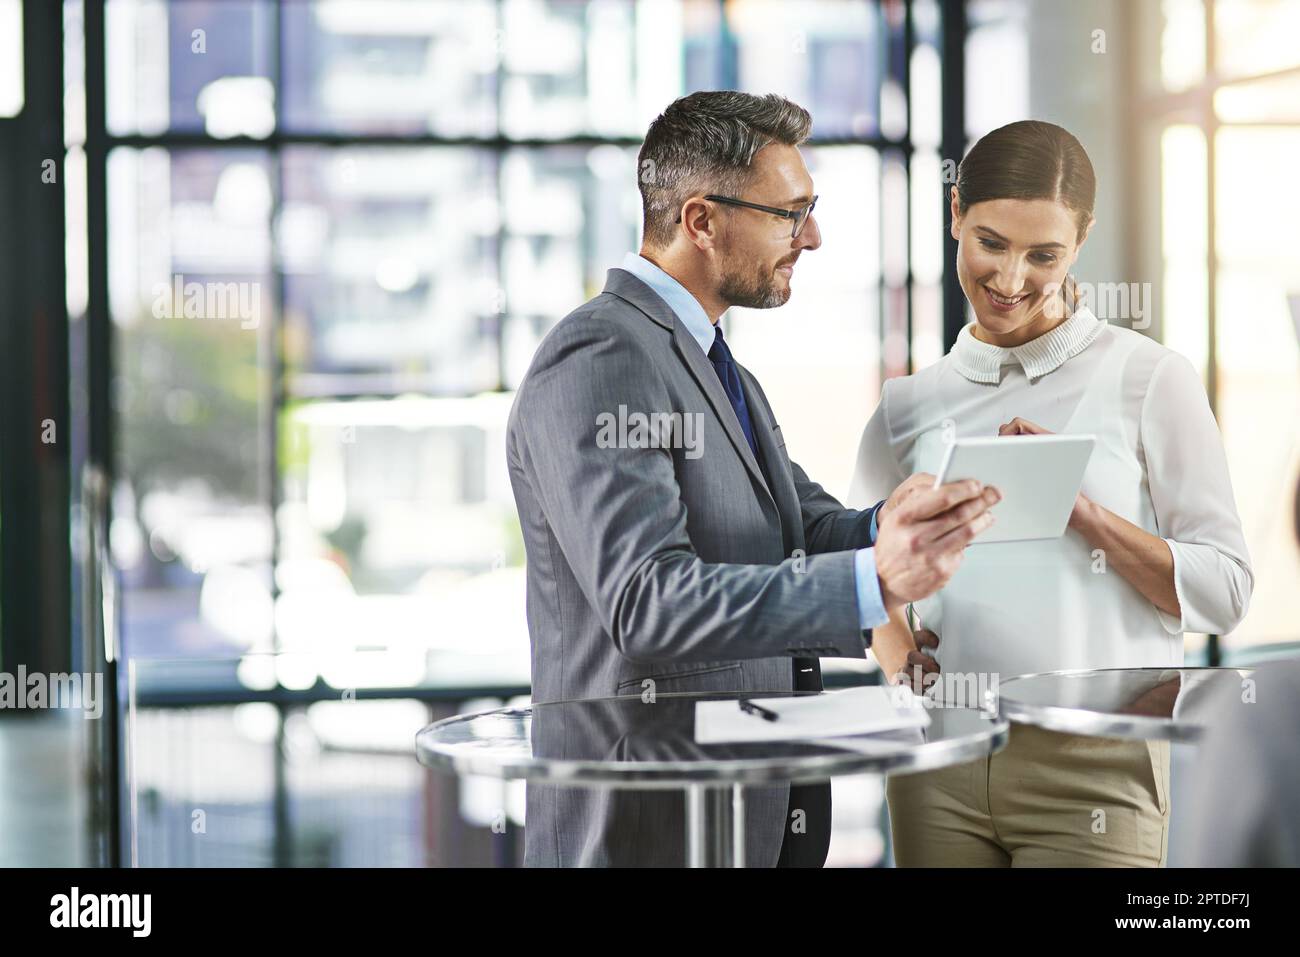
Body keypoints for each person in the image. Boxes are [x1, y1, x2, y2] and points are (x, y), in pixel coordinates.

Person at [506, 91, 998, 867]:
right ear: (701, 220)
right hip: (650, 831)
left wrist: (894, 522)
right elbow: (648, 601)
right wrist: (871, 581)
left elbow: (795, 532)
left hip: (744, 818)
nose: (813, 236)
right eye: (789, 212)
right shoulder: (602, 356)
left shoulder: (713, 362)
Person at [849, 120, 1254, 866]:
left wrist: (1084, 513)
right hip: (938, 760)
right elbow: (864, 580)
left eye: (1044, 255)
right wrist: (903, 660)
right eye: (991, 243)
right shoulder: (907, 405)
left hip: (1095, 768)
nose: (1010, 280)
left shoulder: (1148, 378)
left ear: (1082, 239)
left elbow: (1226, 590)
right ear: (955, 216)